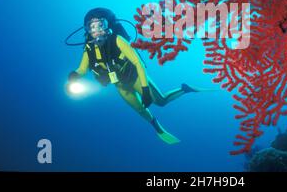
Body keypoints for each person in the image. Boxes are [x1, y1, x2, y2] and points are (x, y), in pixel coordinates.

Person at [66, 8, 201, 144]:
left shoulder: (117, 40)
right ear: (87, 30)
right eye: (92, 27)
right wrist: (75, 75)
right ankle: (158, 129)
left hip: (136, 77)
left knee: (160, 102)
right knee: (140, 110)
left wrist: (146, 90)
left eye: (101, 25)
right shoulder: (89, 49)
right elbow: (82, 68)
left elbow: (138, 63)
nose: (97, 30)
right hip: (120, 85)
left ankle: (185, 89)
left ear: (108, 25)